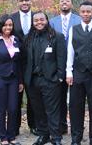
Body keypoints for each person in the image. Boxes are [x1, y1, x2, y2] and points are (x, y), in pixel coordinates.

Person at [66, 1, 92, 145]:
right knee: (75, 107)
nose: (86, 14)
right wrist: (68, 72)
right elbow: (70, 51)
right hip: (77, 73)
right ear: (79, 12)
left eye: (88, 11)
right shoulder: (74, 29)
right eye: (83, 11)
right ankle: (76, 138)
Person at [24, 11, 66, 145]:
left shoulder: (57, 36)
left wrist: (59, 77)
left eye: (42, 19)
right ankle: (44, 135)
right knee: (38, 110)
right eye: (36, 20)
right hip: (33, 80)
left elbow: (61, 58)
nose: (39, 22)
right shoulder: (28, 37)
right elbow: (25, 60)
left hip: (50, 80)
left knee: (52, 110)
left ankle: (56, 137)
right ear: (32, 22)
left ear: (47, 20)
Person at [0, 14, 23, 145]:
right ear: (0, 26)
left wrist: (20, 81)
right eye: (5, 25)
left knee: (13, 108)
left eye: (10, 25)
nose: (8, 27)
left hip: (14, 80)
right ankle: (3, 137)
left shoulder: (16, 40)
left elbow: (18, 63)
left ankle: (11, 135)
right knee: (1, 109)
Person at [49, 0, 81, 134]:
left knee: (76, 97)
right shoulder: (52, 21)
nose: (64, 3)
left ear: (71, 4)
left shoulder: (79, 20)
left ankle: (77, 126)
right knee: (60, 96)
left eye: (67, 1)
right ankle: (61, 125)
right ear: (59, 4)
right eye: (62, 1)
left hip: (77, 62)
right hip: (58, 63)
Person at [10, 0, 36, 135]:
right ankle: (15, 126)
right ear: (18, 2)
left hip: (34, 63)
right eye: (21, 0)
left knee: (33, 96)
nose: (24, 2)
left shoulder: (38, 17)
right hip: (17, 63)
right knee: (16, 97)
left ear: (31, 1)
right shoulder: (12, 18)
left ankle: (34, 125)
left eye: (27, 0)